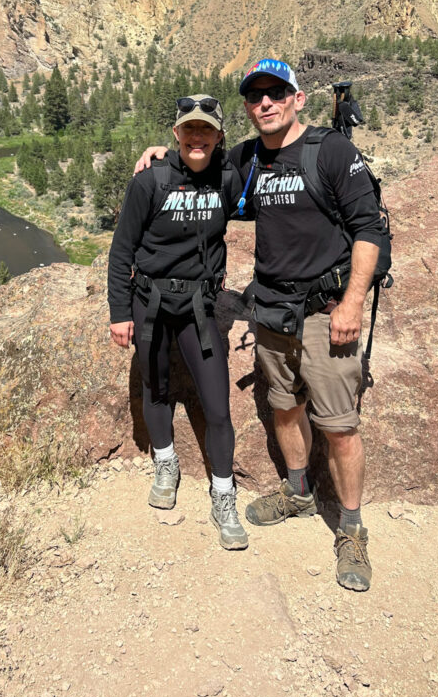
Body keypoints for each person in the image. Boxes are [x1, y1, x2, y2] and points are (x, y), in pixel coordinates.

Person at [135, 61, 384, 591]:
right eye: (255, 97)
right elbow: (196, 160)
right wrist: (160, 157)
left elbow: (369, 229)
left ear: (297, 99)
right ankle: (298, 493)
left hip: (324, 311)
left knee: (339, 426)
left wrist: (352, 303)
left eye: (275, 93)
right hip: (271, 309)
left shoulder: (331, 151)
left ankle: (353, 528)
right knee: (285, 407)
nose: (265, 103)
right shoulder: (247, 158)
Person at [108, 95, 248, 551]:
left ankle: (223, 493)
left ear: (219, 137)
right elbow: (121, 252)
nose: (197, 137)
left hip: (199, 307)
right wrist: (119, 314)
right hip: (149, 302)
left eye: (206, 130)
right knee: (156, 388)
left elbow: (266, 156)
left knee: (218, 403)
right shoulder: (151, 181)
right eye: (189, 129)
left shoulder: (228, 178)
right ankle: (165, 462)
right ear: (175, 133)